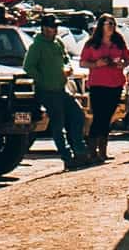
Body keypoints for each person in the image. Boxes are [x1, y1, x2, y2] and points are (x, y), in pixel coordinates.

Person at [23, 14, 92, 169]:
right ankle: (67, 157)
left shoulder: (58, 42)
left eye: (54, 27)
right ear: (43, 28)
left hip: (61, 89)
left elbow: (66, 59)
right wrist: (43, 79)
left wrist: (67, 68)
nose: (53, 30)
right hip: (47, 91)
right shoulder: (37, 46)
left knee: (77, 115)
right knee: (57, 123)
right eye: (50, 27)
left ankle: (79, 151)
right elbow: (28, 67)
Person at [79, 14, 129, 161]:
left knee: (107, 117)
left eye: (113, 24)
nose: (111, 27)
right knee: (98, 117)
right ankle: (91, 151)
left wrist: (123, 63)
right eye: (109, 24)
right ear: (101, 26)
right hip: (98, 84)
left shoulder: (119, 41)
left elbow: (128, 58)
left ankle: (102, 150)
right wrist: (96, 64)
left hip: (115, 84)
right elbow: (82, 62)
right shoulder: (92, 43)